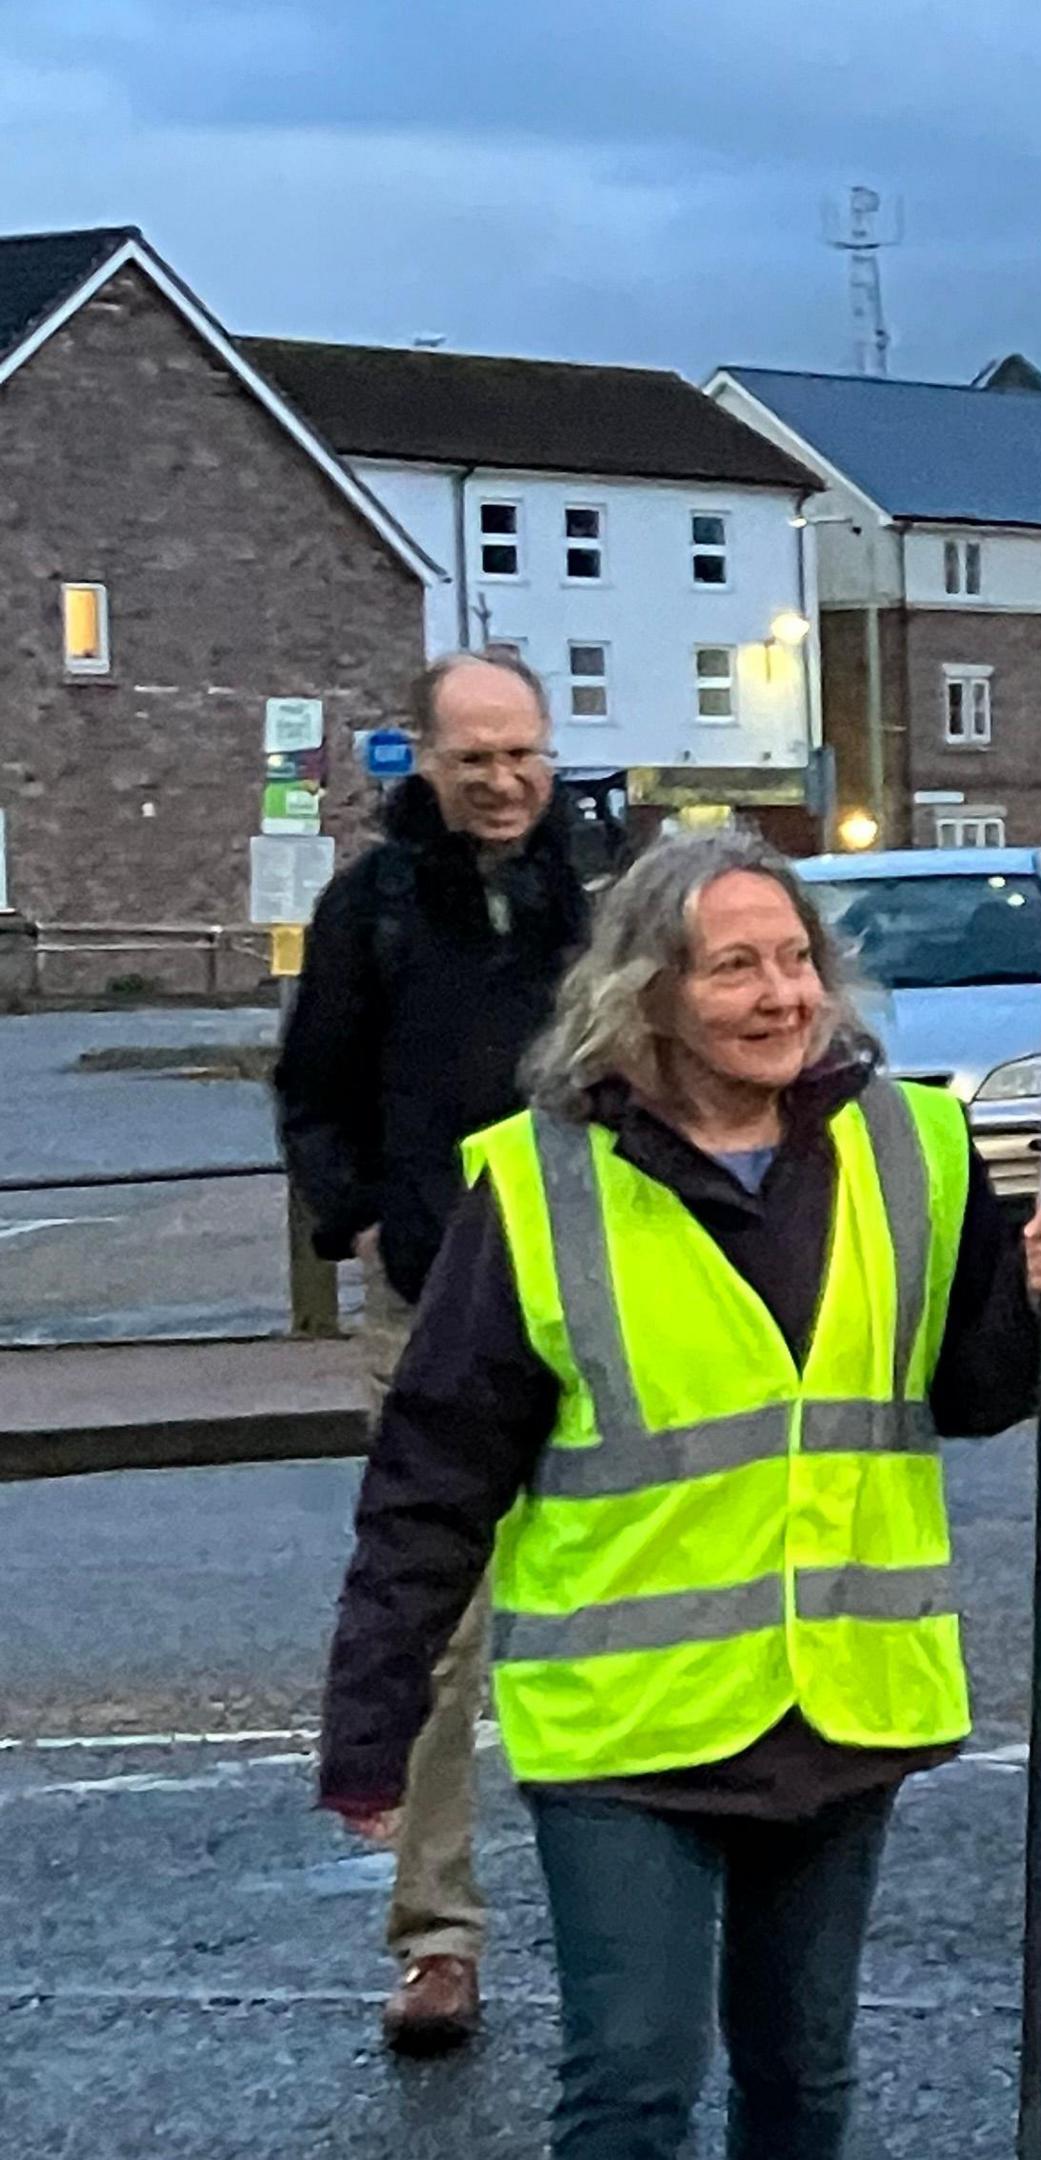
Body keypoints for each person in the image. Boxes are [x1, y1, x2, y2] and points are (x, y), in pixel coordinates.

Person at [315, 829, 1041, 2160]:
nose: (782, 995)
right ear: (649, 994)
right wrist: (374, 1713)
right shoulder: (542, 1186)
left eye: (796, 960)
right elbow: (433, 1476)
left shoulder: (913, 1142)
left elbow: (972, 1395)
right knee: (632, 2085)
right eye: (735, 967)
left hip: (841, 1701)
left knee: (804, 2081)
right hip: (629, 1728)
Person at [270, 648, 586, 2055]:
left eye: (522, 752)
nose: (505, 780)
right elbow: (313, 1084)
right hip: (434, 1304)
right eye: (476, 758)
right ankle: (436, 1942)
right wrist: (360, 1220)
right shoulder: (374, 907)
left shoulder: (610, 896)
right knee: (439, 1642)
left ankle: (638, 1915)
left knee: (613, 1628)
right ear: (430, 761)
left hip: (604, 1303)